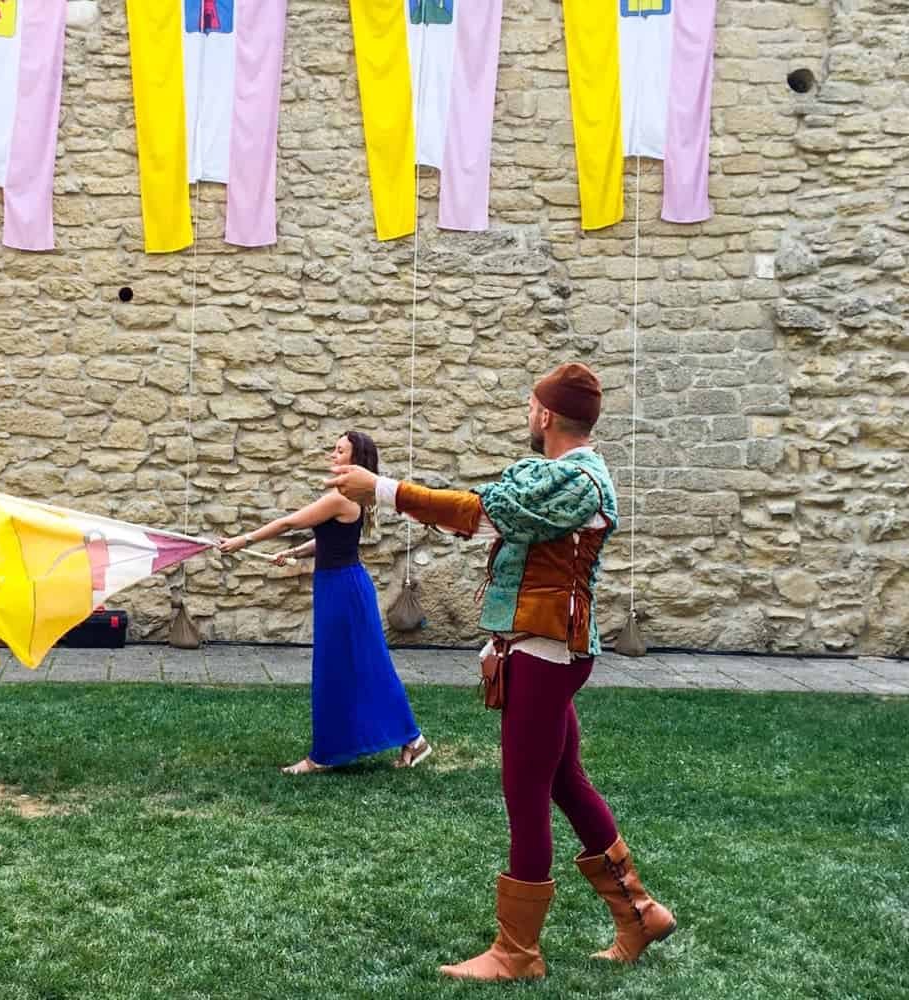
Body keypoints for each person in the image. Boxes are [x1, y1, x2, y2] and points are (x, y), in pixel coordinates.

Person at [327, 364, 676, 982]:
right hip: (537, 646)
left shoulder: (578, 480)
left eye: (530, 405)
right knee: (564, 780)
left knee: (525, 793)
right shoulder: (554, 478)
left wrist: (382, 489)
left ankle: (518, 952)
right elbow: (493, 509)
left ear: (545, 415)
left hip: (548, 649)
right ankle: (639, 912)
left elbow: (489, 514)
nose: (527, 413)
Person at [219, 431, 433, 774]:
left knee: (343, 669)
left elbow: (291, 521)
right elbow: (331, 539)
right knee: (357, 667)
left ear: (354, 460)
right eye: (333, 449)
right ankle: (409, 740)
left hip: (343, 591)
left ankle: (326, 756)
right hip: (341, 586)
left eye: (340, 451)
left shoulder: (340, 497)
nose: (332, 455)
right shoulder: (351, 497)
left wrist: (242, 541)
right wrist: (294, 552)